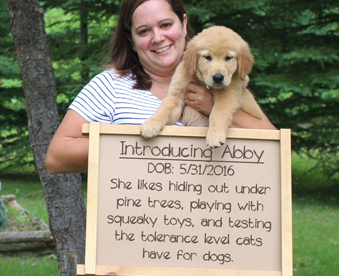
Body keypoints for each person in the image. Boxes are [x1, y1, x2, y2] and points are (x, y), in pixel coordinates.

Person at [45, 0, 275, 175]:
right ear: (131, 39)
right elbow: (57, 157)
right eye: (144, 31)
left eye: (166, 25)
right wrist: (150, 149)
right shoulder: (109, 86)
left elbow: (275, 148)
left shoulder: (224, 81)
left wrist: (210, 105)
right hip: (143, 224)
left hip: (213, 222)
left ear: (184, 24)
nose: (157, 37)